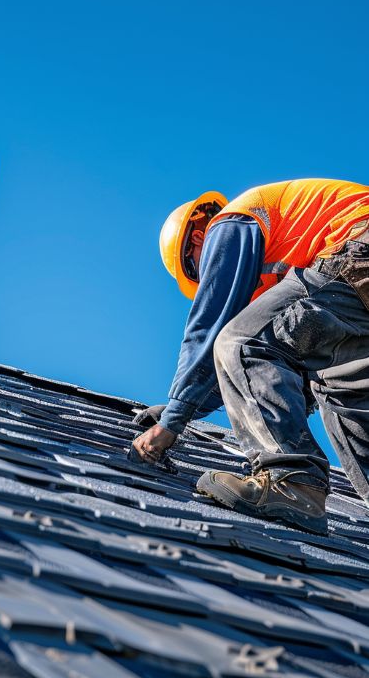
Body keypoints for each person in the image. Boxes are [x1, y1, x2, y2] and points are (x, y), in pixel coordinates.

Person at [131, 179, 369, 534]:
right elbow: (274, 369)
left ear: (196, 240)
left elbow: (217, 328)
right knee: (341, 391)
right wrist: (180, 410)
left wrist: (173, 421)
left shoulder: (230, 223)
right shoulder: (293, 257)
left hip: (357, 248)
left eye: (199, 271)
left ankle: (292, 483)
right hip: (355, 285)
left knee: (237, 340)